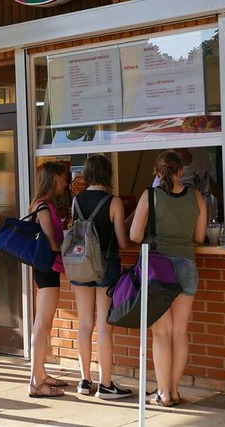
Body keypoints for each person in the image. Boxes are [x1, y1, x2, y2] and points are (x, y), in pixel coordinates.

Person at [130, 150, 207, 407]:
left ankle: (162, 393)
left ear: (157, 171)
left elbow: (134, 236)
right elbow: (198, 237)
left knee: (161, 333)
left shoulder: (150, 196)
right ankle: (173, 391)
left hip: (157, 269)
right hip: (186, 265)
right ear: (180, 171)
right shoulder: (196, 196)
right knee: (179, 333)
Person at [69, 155, 132, 399]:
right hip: (106, 265)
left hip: (81, 265)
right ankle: (106, 384)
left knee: (85, 324)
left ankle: (85, 381)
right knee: (105, 326)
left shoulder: (76, 201)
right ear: (108, 174)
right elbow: (124, 242)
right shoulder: (114, 202)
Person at [28, 161, 69, 398]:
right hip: (46, 267)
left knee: (43, 323)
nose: (66, 182)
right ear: (54, 178)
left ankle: (41, 374)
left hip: (47, 267)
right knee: (42, 324)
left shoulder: (43, 204)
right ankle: (36, 381)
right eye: (64, 178)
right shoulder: (43, 206)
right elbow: (51, 240)